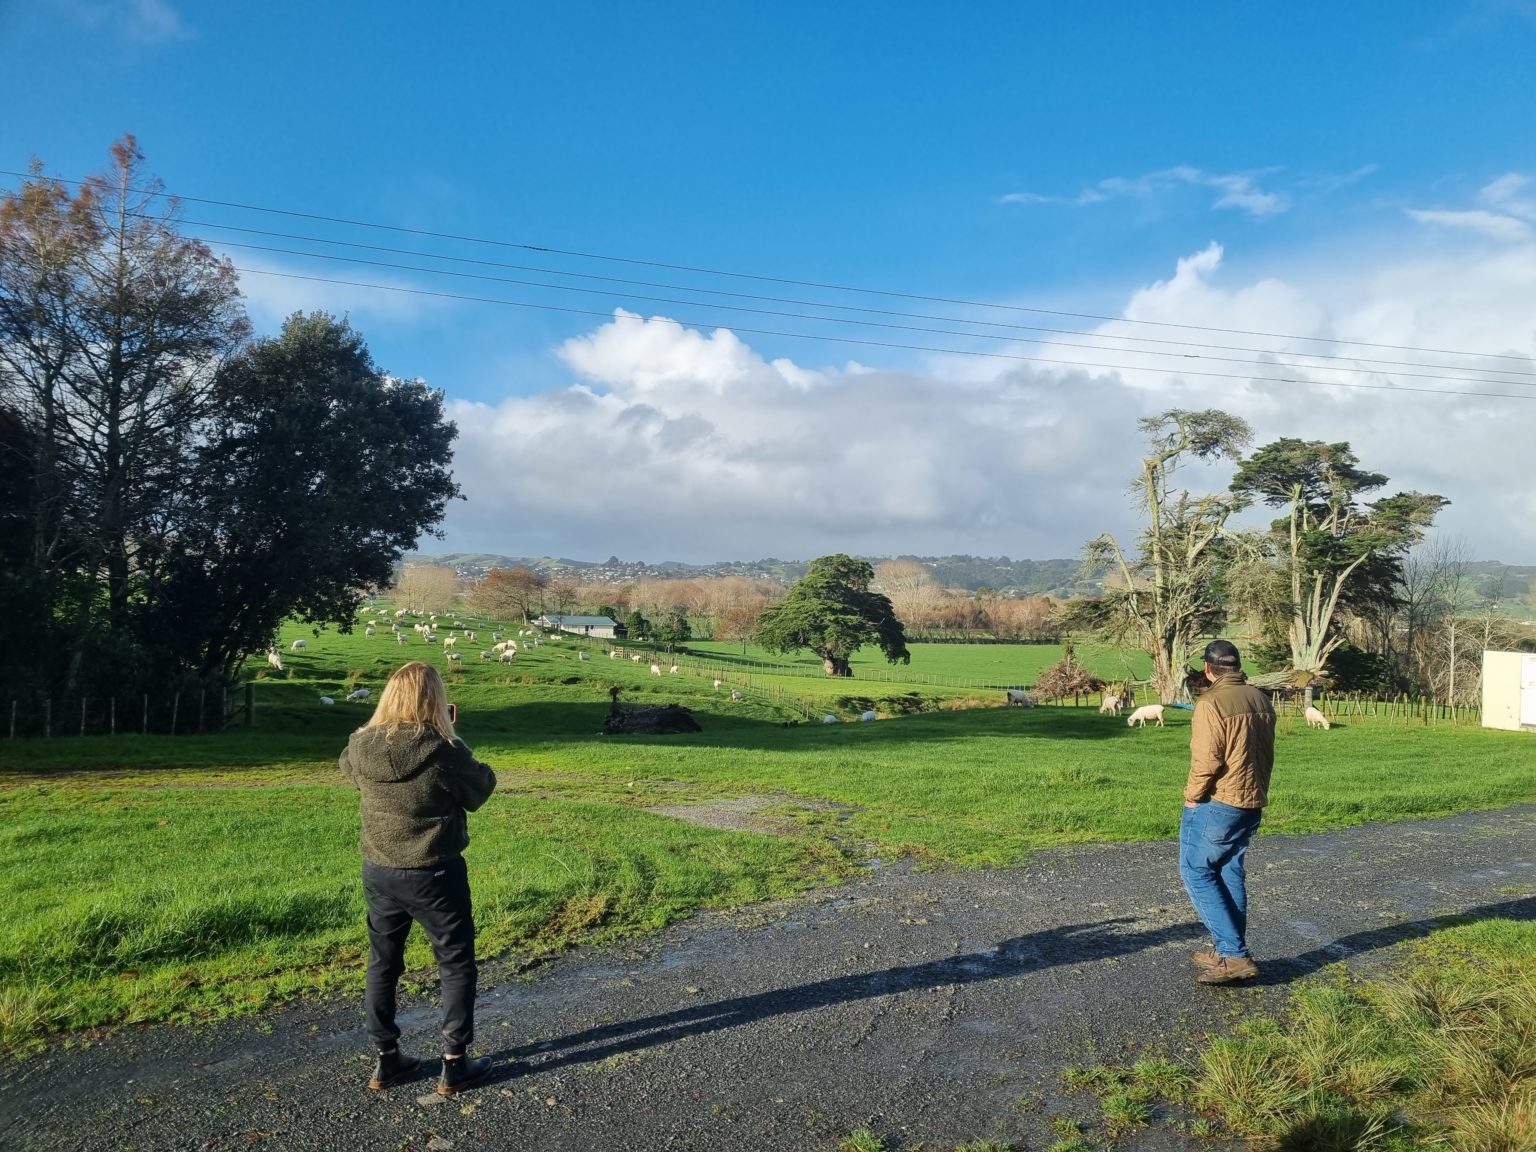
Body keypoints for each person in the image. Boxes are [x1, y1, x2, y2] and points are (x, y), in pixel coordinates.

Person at [338, 661, 498, 1093]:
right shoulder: (443, 749)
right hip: (435, 871)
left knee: (383, 963)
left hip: (379, 869)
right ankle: (454, 1062)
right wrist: (454, 736)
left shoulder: (359, 744)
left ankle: (387, 1059)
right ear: (437, 700)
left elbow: (350, 773)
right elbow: (482, 788)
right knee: (455, 962)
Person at [1180, 639, 1276, 985]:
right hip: (1252, 800)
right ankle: (1227, 950)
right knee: (1230, 871)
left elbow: (1207, 760)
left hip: (1219, 802)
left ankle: (1234, 955)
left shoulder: (1210, 703)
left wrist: (1192, 796)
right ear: (1236, 666)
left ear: (1208, 669)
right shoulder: (1260, 698)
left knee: (1196, 871)